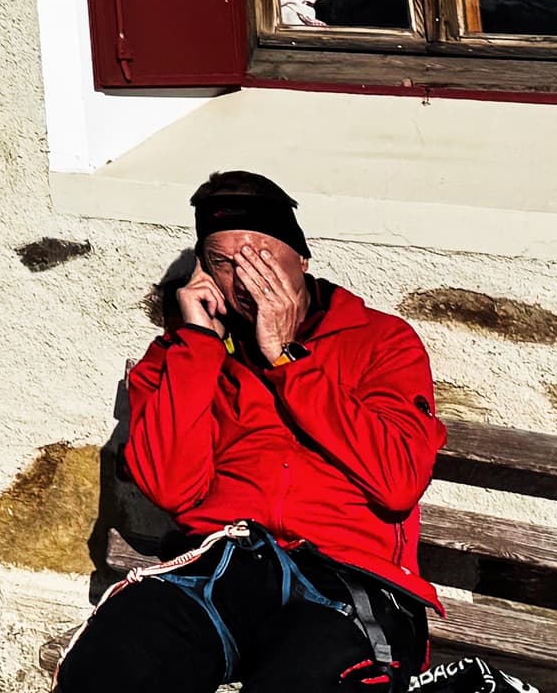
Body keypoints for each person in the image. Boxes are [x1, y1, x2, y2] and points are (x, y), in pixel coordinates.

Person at [56, 170, 445, 693]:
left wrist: (288, 361)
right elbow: (173, 489)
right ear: (203, 273)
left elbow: (397, 478)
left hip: (347, 581)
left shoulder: (381, 341)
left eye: (261, 255)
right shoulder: (179, 358)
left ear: (300, 258)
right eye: (224, 262)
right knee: (110, 664)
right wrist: (196, 344)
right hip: (226, 566)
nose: (245, 277)